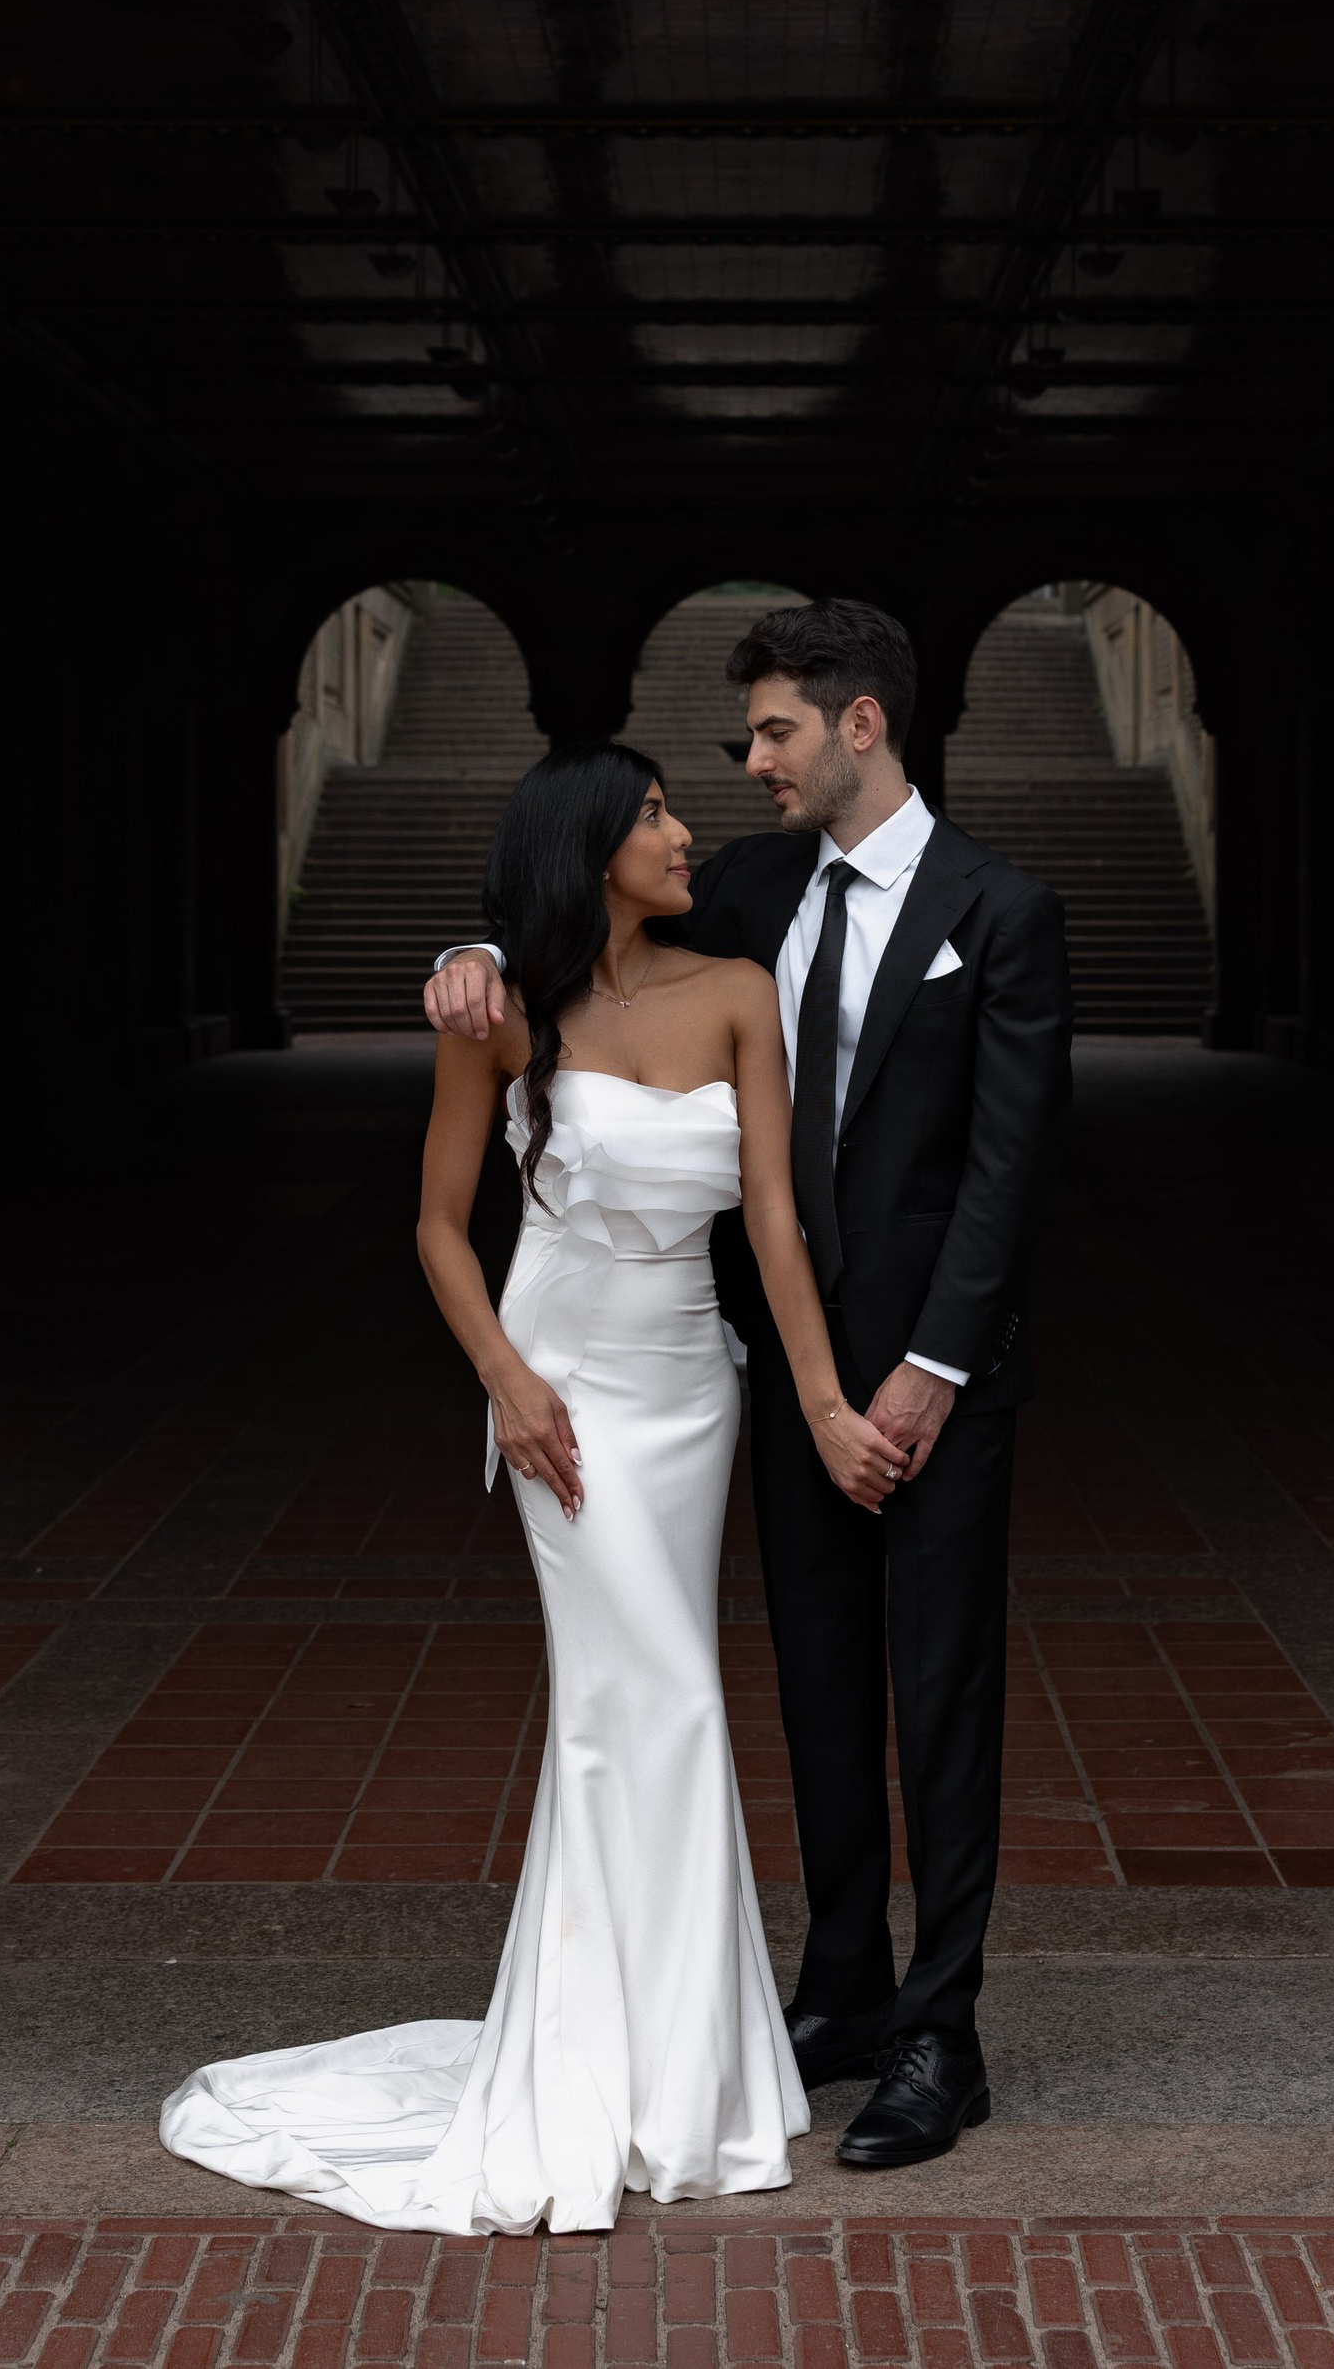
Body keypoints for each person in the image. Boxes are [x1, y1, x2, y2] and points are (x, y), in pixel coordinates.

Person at [159, 744, 906, 2235]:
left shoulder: (738, 991)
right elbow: (438, 1225)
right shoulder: (498, 1013)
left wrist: (821, 1399)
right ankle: (640, 2079)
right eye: (651, 815)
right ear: (587, 846)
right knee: (644, 1707)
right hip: (559, 1381)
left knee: (663, 1699)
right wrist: (503, 1378)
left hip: (690, 1383)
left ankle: (668, 2067)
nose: (686, 830)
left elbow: (770, 1222)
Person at [424, 601, 1070, 2172]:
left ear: (860, 726)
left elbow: (1007, 1173)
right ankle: (840, 1986)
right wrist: (471, 952)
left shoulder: (1004, 910)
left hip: (932, 1382)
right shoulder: (762, 887)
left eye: (774, 731)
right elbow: (583, 930)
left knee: (943, 1693)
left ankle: (941, 2030)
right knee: (819, 1686)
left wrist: (925, 1374)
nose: (747, 767)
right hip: (773, 1382)